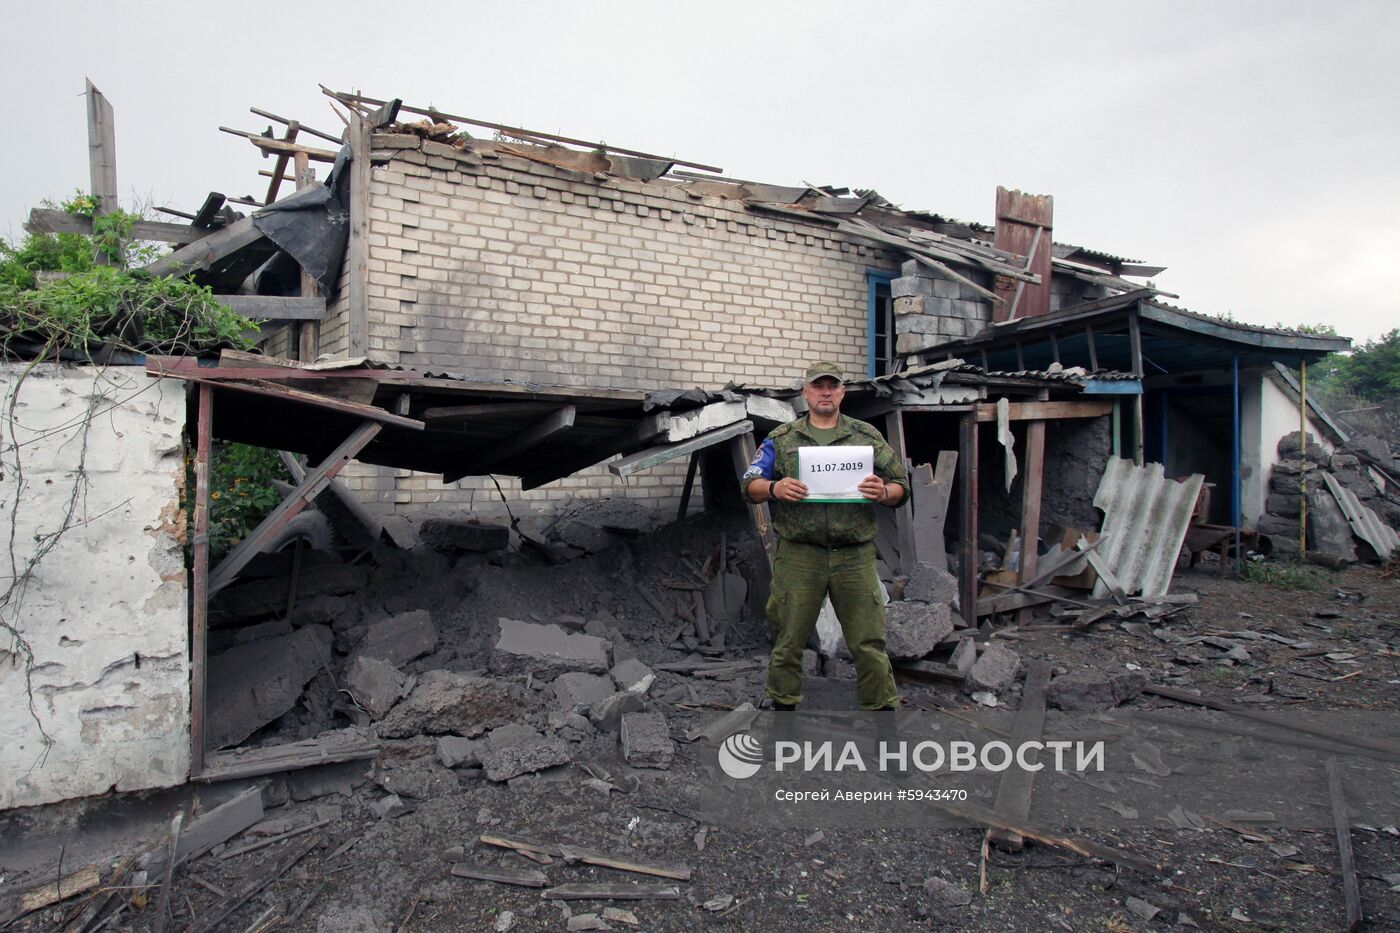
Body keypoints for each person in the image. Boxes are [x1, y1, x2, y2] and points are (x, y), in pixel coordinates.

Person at [742, 361, 910, 712]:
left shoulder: (866, 436)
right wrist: (775, 487)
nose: (825, 392)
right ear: (806, 392)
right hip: (801, 555)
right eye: (818, 386)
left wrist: (884, 491)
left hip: (855, 555)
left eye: (832, 386)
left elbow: (901, 486)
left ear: (842, 392)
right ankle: (782, 704)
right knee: (789, 637)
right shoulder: (782, 438)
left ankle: (882, 711)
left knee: (868, 640)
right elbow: (749, 485)